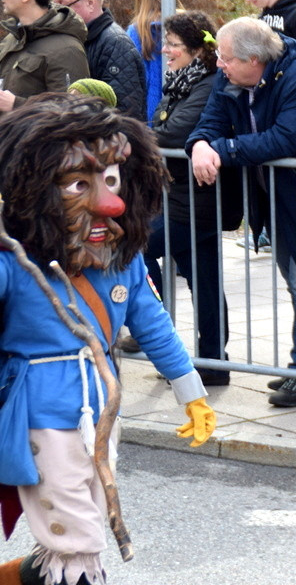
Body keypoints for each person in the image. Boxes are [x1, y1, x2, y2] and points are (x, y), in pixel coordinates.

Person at [0, 95, 215, 585]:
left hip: (103, 410)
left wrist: (191, 392)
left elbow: (151, 321)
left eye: (111, 180)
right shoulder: (12, 262)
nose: (108, 201)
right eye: (80, 185)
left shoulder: (122, 257)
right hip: (40, 415)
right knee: (77, 541)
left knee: (85, 522)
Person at [186, 16, 296, 408]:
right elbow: (208, 124)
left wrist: (220, 150)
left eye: (226, 60)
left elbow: (283, 140)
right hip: (270, 196)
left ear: (254, 59)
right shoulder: (233, 78)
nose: (219, 66)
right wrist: (200, 145)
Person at [146, 11, 243, 387]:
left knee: (134, 248)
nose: (165, 51)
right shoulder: (184, 82)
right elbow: (162, 127)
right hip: (183, 195)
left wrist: (144, 136)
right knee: (203, 279)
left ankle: (163, 345)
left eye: (172, 45)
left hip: (197, 201)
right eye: (166, 43)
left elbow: (172, 133)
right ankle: (214, 362)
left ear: (195, 50)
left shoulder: (208, 83)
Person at [53, 0, 146, 119]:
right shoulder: (77, 39)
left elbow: (125, 113)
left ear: (90, 2)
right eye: (53, 7)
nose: (56, 14)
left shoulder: (115, 44)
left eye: (62, 6)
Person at [0, 0, 90, 112]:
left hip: (34, 136)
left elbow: (74, 114)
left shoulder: (67, 50)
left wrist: (17, 105)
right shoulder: (12, 39)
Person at [126, 0, 165, 121]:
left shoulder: (138, 31)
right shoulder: (185, 22)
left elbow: (133, 79)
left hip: (150, 113)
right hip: (184, 111)